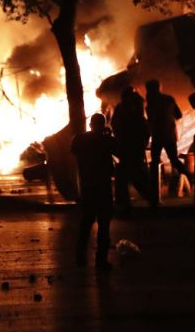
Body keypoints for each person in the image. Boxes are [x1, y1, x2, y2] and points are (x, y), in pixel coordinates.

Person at [72, 113, 117, 271]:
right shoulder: (106, 140)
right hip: (103, 187)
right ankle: (101, 260)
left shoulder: (80, 139)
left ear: (90, 125)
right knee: (103, 226)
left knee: (86, 223)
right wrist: (108, 135)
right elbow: (119, 150)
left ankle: (80, 258)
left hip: (88, 187)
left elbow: (73, 150)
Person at [145, 79, 189, 205]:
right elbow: (179, 115)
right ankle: (191, 177)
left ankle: (153, 190)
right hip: (170, 135)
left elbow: (150, 121)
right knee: (174, 159)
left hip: (157, 135)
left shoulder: (150, 103)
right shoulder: (169, 99)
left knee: (154, 161)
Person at [111, 86, 151, 214]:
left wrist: (118, 139)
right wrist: (144, 141)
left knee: (128, 173)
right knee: (133, 171)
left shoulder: (122, 108)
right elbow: (144, 126)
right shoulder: (137, 106)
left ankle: (125, 201)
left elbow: (115, 124)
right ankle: (148, 197)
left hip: (126, 144)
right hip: (135, 144)